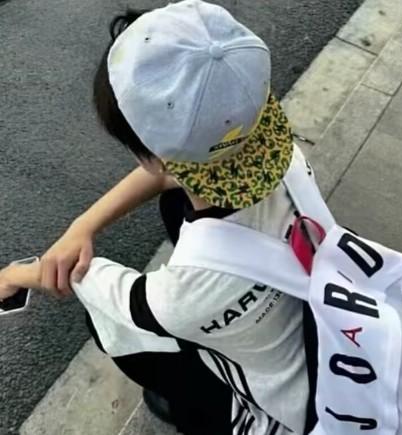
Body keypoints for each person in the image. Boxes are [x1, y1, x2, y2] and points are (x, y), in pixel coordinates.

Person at [0, 2, 320, 434]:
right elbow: (173, 174)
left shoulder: (183, 297)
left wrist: (13, 276)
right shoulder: (288, 162)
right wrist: (83, 225)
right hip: (321, 331)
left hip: (290, 413)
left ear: (145, 156)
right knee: (176, 202)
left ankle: (200, 413)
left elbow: (82, 276)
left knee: (111, 322)